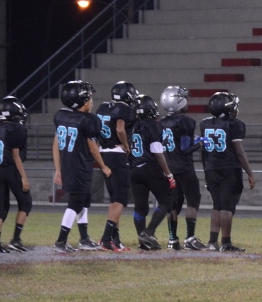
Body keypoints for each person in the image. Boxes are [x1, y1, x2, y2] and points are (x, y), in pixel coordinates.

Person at [52, 80, 112, 253]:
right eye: (89, 98)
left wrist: (58, 169)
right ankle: (61, 241)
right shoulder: (88, 120)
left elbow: (55, 145)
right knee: (75, 203)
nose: (91, 101)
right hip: (80, 166)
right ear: (84, 101)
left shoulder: (61, 116)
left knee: (84, 200)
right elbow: (93, 148)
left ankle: (84, 238)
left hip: (68, 165)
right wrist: (104, 167)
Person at [200, 91, 255, 252]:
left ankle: (212, 242)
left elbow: (203, 151)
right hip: (229, 169)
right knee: (227, 207)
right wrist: (250, 173)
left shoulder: (205, 124)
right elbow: (239, 152)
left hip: (211, 168)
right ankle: (226, 243)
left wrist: (206, 170)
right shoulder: (235, 124)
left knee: (217, 206)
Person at [159, 85, 207, 251]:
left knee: (173, 205)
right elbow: (185, 149)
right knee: (193, 201)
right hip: (184, 168)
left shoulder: (161, 122)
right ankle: (189, 238)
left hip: (168, 168)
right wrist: (199, 144)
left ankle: (172, 239)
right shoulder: (186, 121)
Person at [95, 81, 138, 252]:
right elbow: (120, 129)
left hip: (103, 153)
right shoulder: (125, 109)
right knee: (120, 199)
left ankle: (115, 240)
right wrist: (126, 145)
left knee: (114, 199)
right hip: (117, 154)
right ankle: (106, 239)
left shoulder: (103, 107)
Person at [0, 96, 32, 254]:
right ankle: (16, 240)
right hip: (11, 170)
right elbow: (15, 155)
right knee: (26, 203)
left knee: (1, 208)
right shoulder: (17, 129)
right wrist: (24, 177)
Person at [129, 95, 176, 250]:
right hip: (149, 167)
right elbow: (157, 152)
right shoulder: (154, 125)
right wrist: (168, 174)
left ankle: (143, 241)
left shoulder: (133, 125)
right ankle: (148, 233)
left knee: (140, 208)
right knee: (166, 201)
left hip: (134, 168)